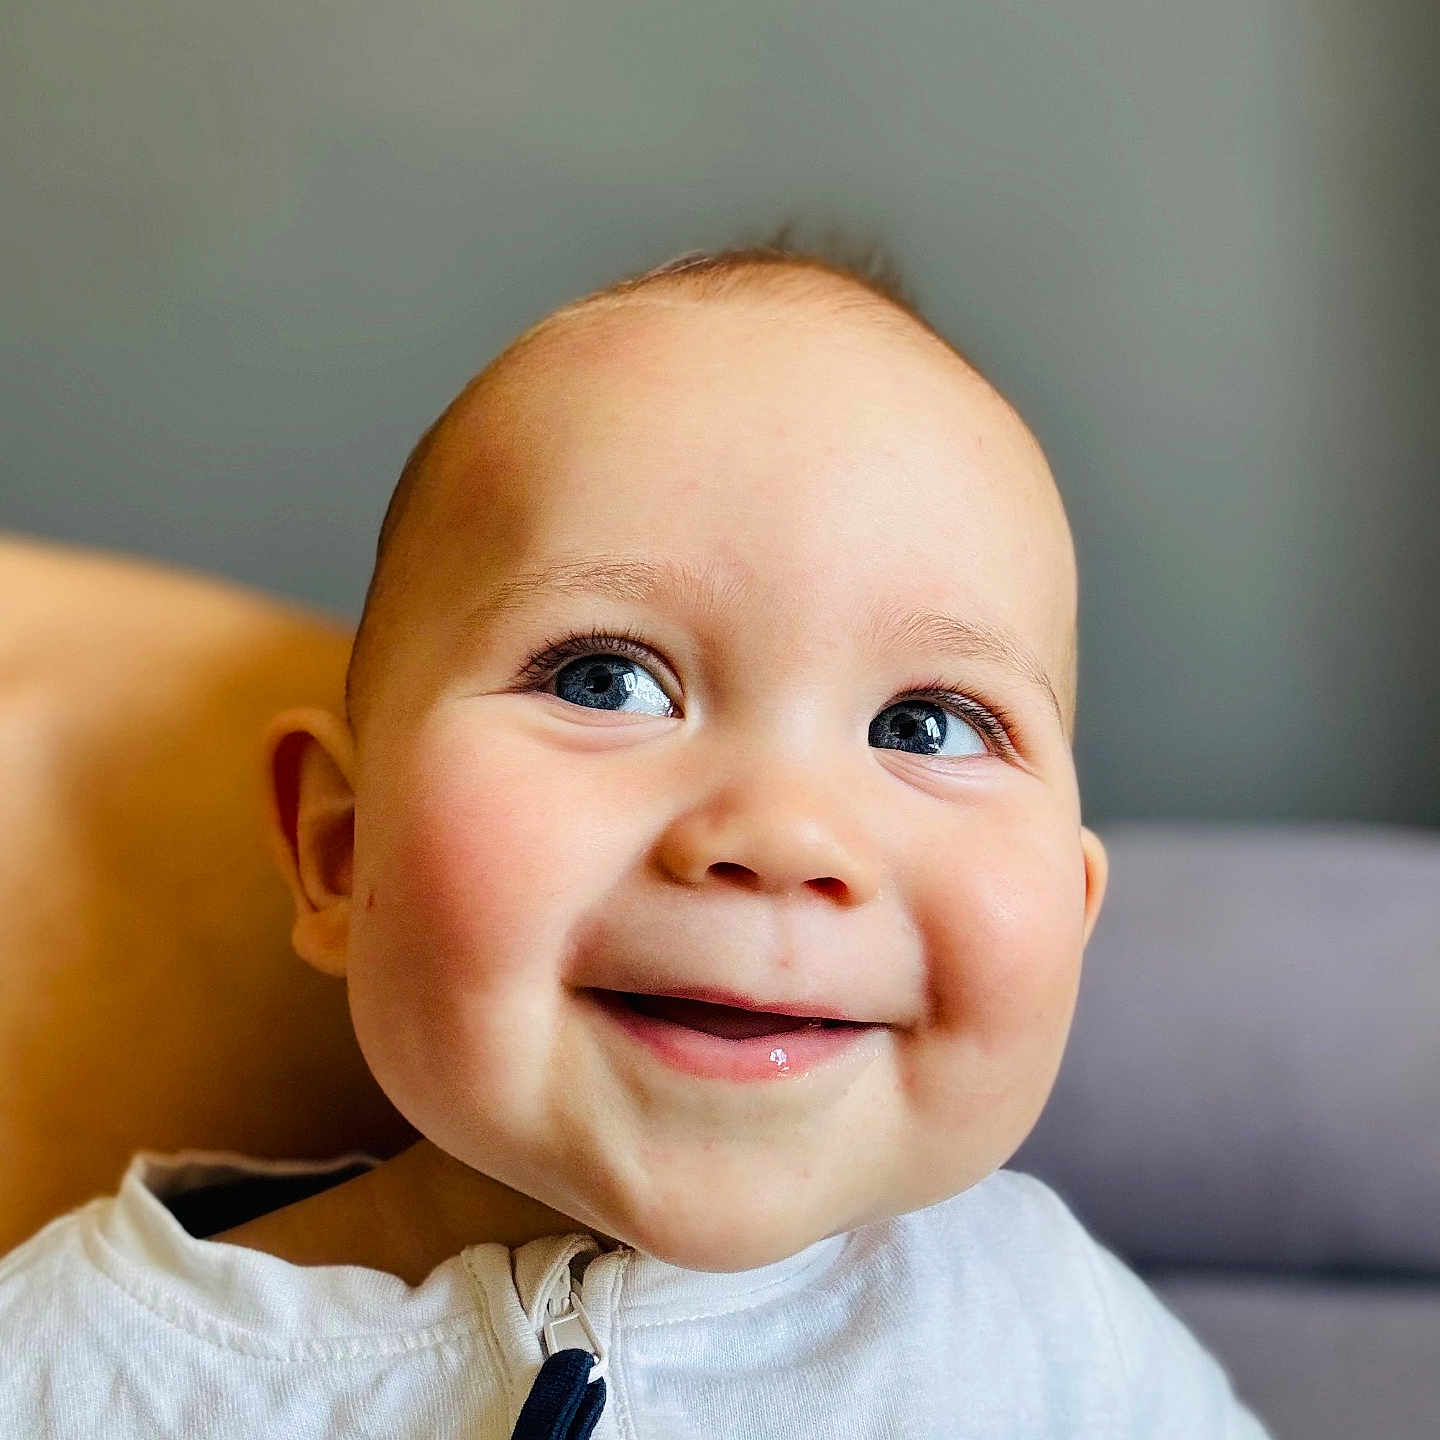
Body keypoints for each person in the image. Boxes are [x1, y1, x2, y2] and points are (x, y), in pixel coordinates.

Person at [0, 242, 1274, 1438]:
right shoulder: (71, 1369)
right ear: (339, 848)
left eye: (929, 725)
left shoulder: (1062, 1348)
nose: (783, 834)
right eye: (608, 681)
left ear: (1075, 915)